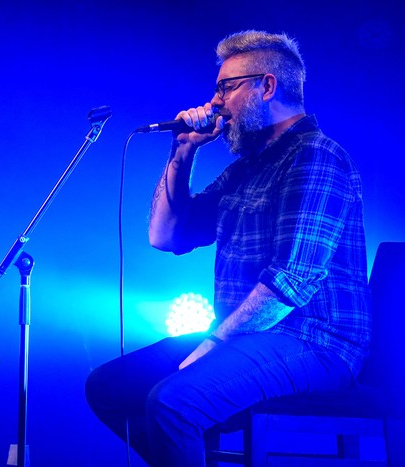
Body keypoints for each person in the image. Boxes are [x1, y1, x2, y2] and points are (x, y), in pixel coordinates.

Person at [86, 30, 371, 466]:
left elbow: (291, 282)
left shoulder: (316, 155)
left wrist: (214, 342)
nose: (215, 102)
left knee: (174, 402)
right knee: (110, 386)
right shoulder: (245, 170)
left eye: (226, 87)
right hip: (248, 335)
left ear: (267, 86)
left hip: (315, 340)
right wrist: (182, 154)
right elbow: (166, 236)